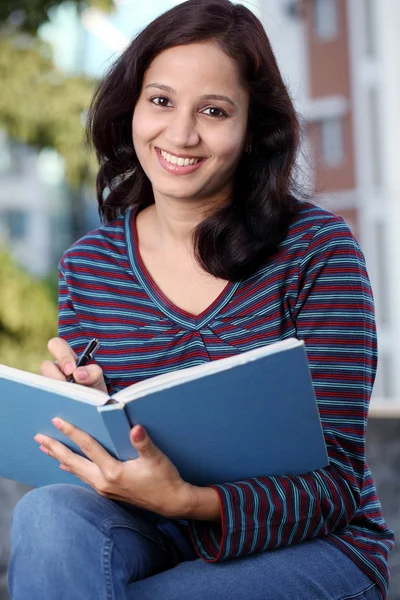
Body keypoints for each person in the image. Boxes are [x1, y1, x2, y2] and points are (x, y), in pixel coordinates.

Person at [7, 1, 394, 598]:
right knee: (47, 516)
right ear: (131, 106)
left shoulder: (317, 250)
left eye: (214, 111)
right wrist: (88, 413)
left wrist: (190, 499)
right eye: (161, 101)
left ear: (253, 129)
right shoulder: (88, 266)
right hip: (153, 530)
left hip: (314, 547)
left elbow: (337, 485)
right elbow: (108, 465)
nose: (181, 134)